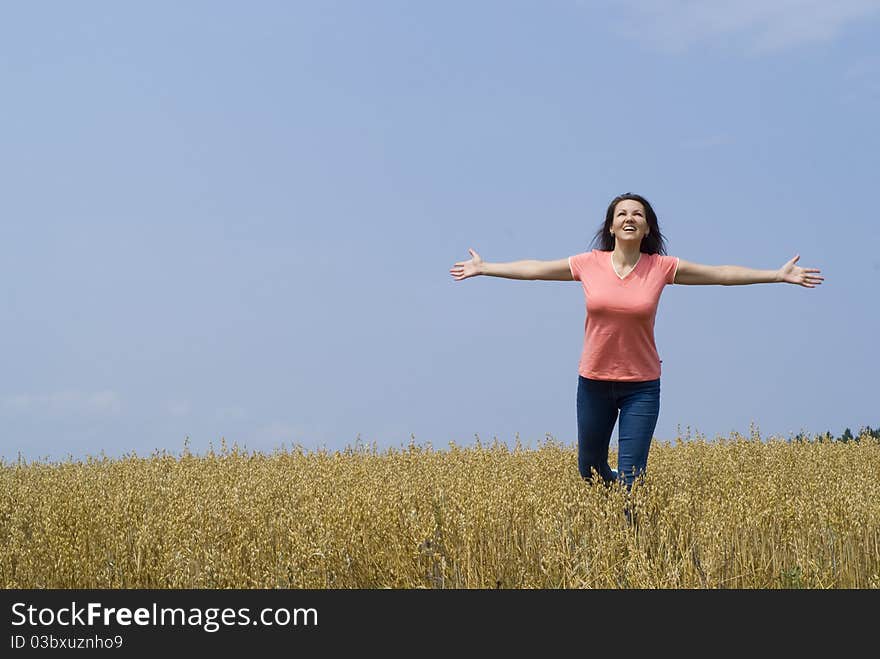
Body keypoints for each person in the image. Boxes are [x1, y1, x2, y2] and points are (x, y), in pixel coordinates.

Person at [448, 192, 824, 491]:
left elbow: (721, 274)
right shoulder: (588, 263)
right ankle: (612, 510)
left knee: (632, 478)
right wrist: (485, 268)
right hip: (593, 382)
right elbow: (534, 269)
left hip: (641, 386)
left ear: (646, 229)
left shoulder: (660, 267)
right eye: (622, 214)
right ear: (611, 227)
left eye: (638, 215)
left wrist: (776, 275)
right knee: (590, 469)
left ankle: (632, 538)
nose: (630, 218)